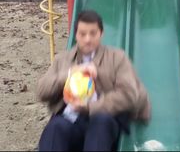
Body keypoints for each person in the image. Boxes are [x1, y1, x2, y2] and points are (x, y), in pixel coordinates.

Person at [37, 10, 151, 151]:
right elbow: (41, 91)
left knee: (100, 122)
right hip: (71, 120)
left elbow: (129, 95)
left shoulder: (117, 58)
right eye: (82, 34)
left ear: (101, 34)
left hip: (104, 120)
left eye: (93, 33)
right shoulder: (63, 59)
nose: (87, 39)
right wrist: (69, 74)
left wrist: (91, 107)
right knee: (56, 127)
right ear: (76, 35)